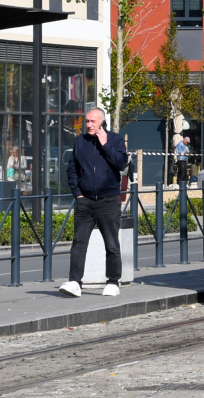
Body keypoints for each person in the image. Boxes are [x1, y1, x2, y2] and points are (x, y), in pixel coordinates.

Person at [60, 106, 128, 299]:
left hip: (108, 200)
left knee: (111, 243)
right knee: (79, 242)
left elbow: (121, 164)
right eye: (87, 121)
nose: (89, 125)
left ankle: (113, 282)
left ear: (102, 121)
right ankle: (75, 282)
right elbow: (72, 169)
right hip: (85, 201)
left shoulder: (115, 139)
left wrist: (105, 144)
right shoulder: (80, 142)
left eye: (93, 121)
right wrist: (78, 194)